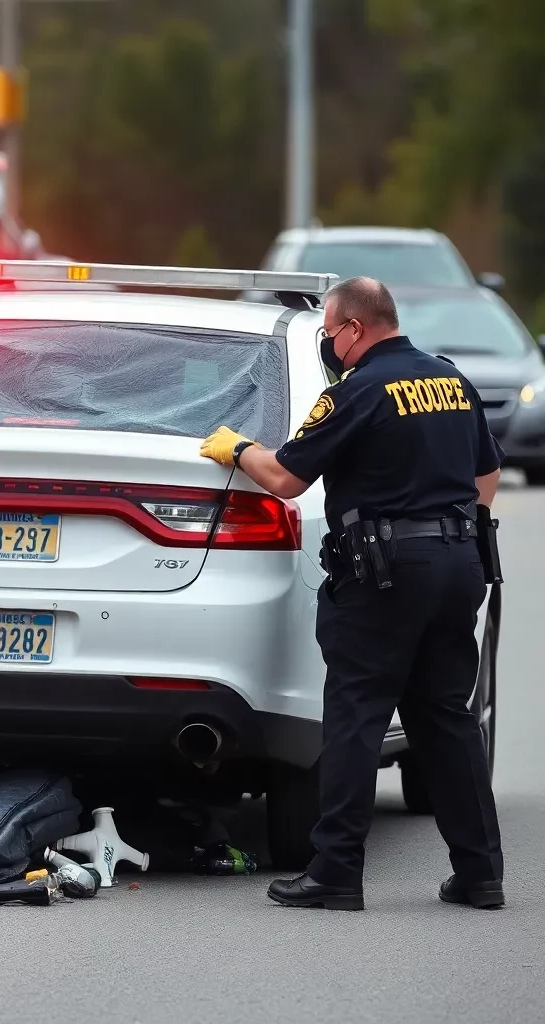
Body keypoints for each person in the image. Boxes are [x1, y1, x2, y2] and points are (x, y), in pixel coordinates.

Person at [199, 277, 505, 911]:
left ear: (355, 329)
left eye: (331, 333)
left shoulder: (357, 391)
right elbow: (487, 474)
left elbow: (284, 477)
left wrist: (239, 448)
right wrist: (444, 528)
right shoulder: (451, 381)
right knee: (448, 721)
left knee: (355, 716)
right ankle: (481, 875)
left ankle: (335, 872)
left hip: (386, 574)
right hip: (458, 565)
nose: (330, 346)